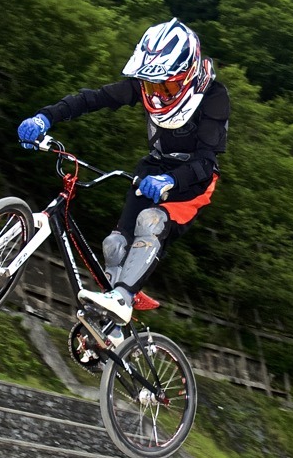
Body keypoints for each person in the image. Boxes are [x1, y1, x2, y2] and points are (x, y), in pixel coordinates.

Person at [17, 18, 229, 324]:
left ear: (188, 75)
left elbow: (207, 161)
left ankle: (123, 298)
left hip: (193, 178)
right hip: (154, 166)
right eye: (150, 83)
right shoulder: (146, 87)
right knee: (114, 245)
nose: (156, 93)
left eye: (165, 84)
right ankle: (110, 326)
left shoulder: (214, 96)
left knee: (151, 221)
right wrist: (44, 118)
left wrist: (171, 180)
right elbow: (93, 98)